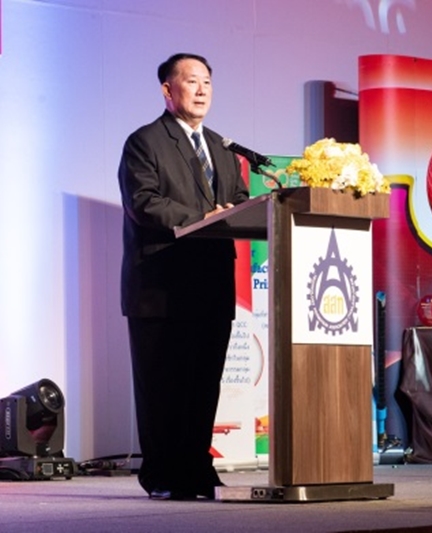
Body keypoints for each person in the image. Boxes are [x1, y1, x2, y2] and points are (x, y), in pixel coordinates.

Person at [118, 52, 249, 500]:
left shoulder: (223, 148)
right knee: (163, 387)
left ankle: (197, 469)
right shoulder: (145, 142)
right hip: (162, 288)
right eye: (191, 81)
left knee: (203, 384)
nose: (201, 90)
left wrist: (232, 211)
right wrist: (203, 217)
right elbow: (144, 202)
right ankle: (162, 474)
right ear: (167, 90)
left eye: (207, 82)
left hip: (211, 286)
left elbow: (239, 200)